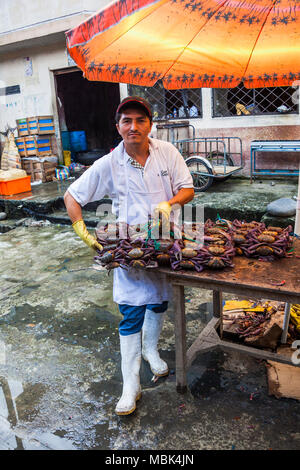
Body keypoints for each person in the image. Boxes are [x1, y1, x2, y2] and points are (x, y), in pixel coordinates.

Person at [64, 96, 194, 416]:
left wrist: (170, 204)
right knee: (131, 313)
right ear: (118, 126)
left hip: (163, 246)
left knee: (160, 300)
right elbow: (72, 196)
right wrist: (83, 231)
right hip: (128, 250)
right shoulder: (110, 163)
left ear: (150, 124)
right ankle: (130, 385)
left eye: (140, 120)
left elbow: (187, 188)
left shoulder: (167, 153)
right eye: (127, 121)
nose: (133, 126)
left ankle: (151, 350)